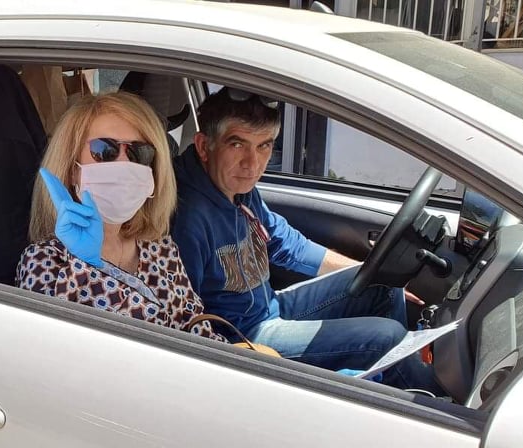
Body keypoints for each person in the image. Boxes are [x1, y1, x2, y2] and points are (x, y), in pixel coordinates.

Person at [170, 87, 443, 393]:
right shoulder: (187, 218)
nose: (252, 163)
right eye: (237, 144)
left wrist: (371, 271)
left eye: (264, 146)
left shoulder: (236, 189)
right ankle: (430, 403)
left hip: (271, 305)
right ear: (204, 146)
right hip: (247, 338)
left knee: (382, 285)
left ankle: (386, 382)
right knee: (387, 337)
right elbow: (185, 320)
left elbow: (288, 244)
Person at [16, 92, 228, 343]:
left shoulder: (160, 247)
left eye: (140, 153)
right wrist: (84, 264)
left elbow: (194, 325)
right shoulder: (43, 261)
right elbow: (47, 347)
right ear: (73, 170)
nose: (124, 164)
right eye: (105, 150)